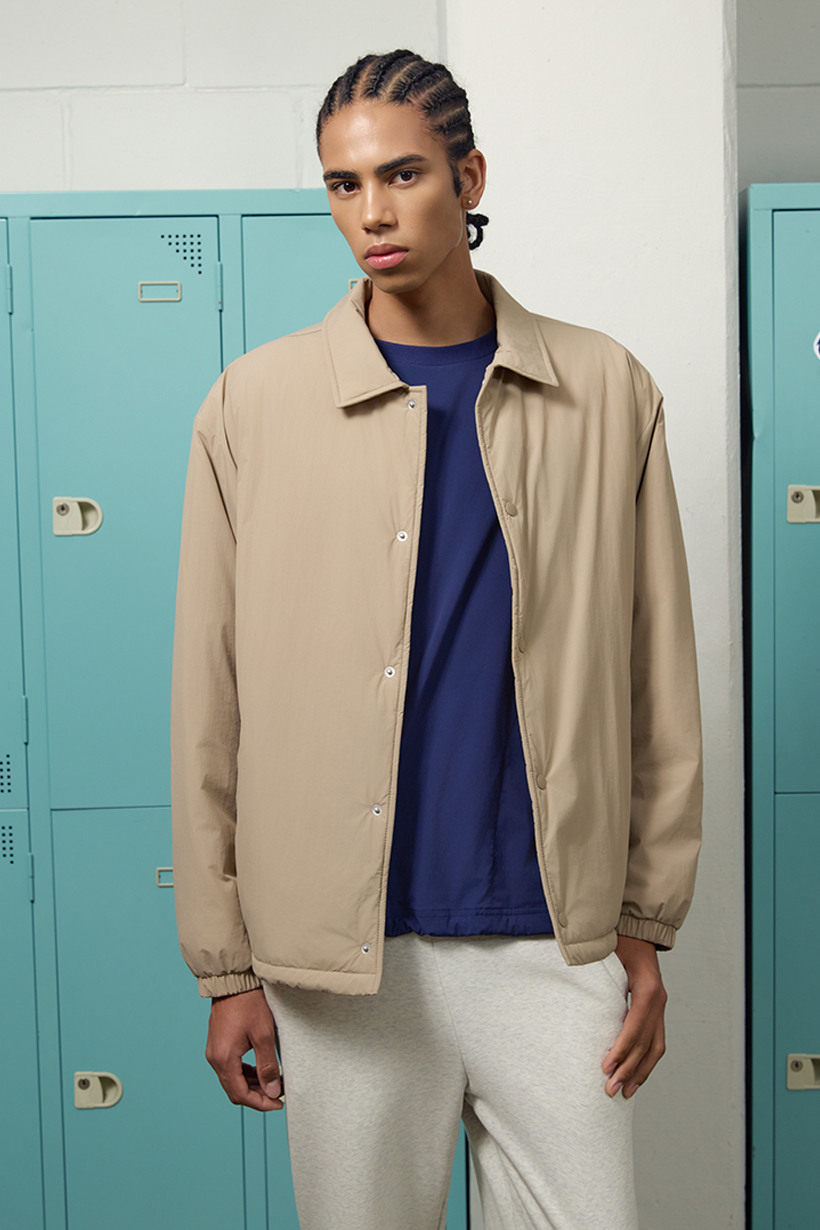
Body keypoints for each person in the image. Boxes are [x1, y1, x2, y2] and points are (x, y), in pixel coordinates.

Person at [171, 48, 702, 1230]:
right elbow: (210, 707)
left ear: (468, 178)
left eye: (401, 174)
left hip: (553, 943)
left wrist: (643, 926)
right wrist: (227, 970)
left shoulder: (606, 389)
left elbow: (657, 682)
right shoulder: (252, 406)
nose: (371, 211)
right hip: (342, 963)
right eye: (343, 184)